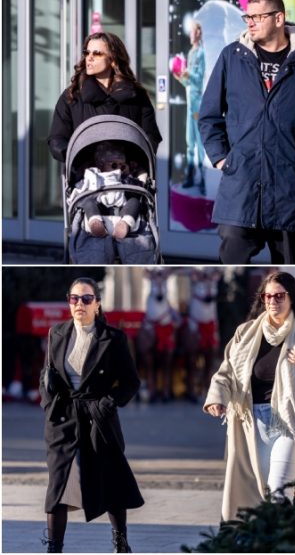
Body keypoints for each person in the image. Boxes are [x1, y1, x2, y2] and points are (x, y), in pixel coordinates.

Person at [199, 0, 295, 264]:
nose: (250, 23)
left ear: (279, 19)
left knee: (288, 269)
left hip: (289, 183)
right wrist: (221, 158)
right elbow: (208, 114)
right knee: (231, 263)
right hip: (241, 183)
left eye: (258, 16)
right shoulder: (232, 56)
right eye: (247, 17)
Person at [203, 271, 295, 521]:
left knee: (279, 490)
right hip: (252, 422)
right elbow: (226, 372)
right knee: (260, 495)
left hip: (291, 422)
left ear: (292, 299)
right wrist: (216, 398)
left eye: (279, 296)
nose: (273, 301)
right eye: (268, 296)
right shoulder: (245, 334)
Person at [40, 277, 143, 553]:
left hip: (99, 419)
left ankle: (120, 542)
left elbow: (131, 382)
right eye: (74, 298)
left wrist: (107, 404)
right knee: (58, 486)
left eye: (86, 299)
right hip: (64, 420)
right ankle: (53, 547)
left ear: (97, 304)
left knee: (110, 482)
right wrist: (50, 405)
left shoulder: (113, 338)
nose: (79, 304)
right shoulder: (56, 333)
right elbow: (47, 374)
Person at [48, 31, 161, 166]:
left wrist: (130, 162)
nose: (89, 58)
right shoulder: (71, 97)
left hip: (128, 177)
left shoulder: (137, 97)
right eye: (87, 53)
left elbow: (150, 137)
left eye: (97, 53)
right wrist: (80, 159)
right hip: (86, 179)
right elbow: (57, 140)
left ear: (113, 60)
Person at [68, 142, 147, 239]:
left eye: (122, 166)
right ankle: (95, 223)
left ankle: (125, 224)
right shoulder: (94, 175)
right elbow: (81, 190)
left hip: (122, 211)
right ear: (101, 165)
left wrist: (127, 176)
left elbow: (138, 191)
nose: (118, 169)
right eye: (114, 165)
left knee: (134, 202)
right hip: (99, 209)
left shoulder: (126, 178)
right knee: (88, 202)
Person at [177, 20, 206, 189]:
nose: (190, 34)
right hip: (190, 102)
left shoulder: (200, 53)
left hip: (197, 103)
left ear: (198, 33)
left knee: (199, 143)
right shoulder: (191, 52)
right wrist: (180, 77)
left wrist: (189, 74)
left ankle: (202, 179)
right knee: (190, 143)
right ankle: (190, 176)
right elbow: (188, 82)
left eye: (193, 31)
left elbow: (198, 78)